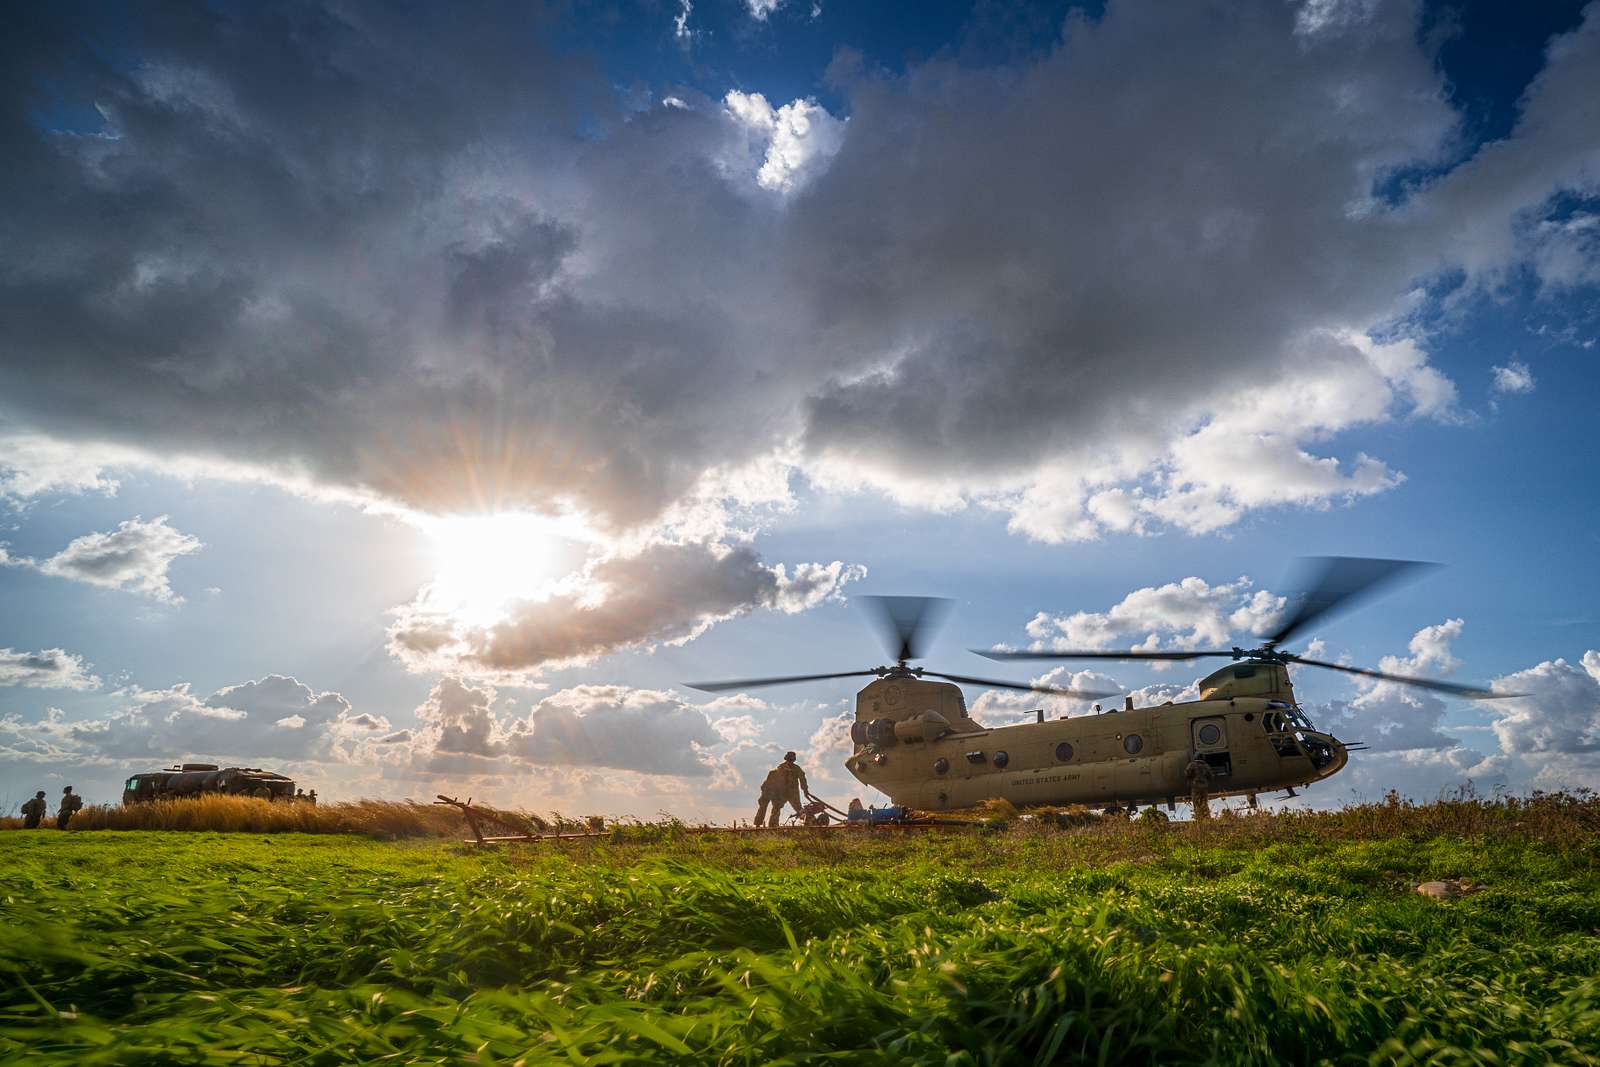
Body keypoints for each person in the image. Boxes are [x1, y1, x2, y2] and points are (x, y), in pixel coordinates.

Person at [755, 751, 808, 828]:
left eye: (791, 760)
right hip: (782, 793)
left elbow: (802, 779)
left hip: (793, 793)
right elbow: (776, 782)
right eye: (789, 759)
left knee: (798, 809)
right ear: (787, 759)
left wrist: (805, 790)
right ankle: (772, 826)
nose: (790, 761)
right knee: (776, 808)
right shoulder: (780, 768)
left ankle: (808, 822)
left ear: (793, 760)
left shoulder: (796, 769)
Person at [1185, 754, 1213, 820]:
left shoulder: (1191, 765)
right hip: (1204, 787)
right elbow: (1211, 776)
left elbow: (1187, 774)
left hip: (1195, 787)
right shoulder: (1206, 766)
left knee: (1196, 803)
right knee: (1204, 803)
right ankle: (1207, 818)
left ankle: (1199, 818)